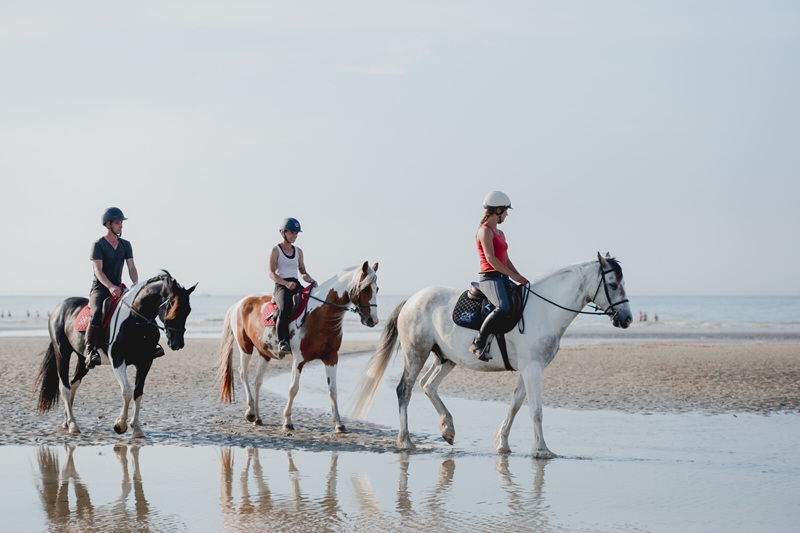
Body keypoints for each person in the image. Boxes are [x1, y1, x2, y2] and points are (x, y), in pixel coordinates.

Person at [470, 191, 530, 360]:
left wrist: (519, 276)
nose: (507, 214)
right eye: (505, 210)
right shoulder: (485, 231)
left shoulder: (500, 233)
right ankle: (478, 342)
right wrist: (513, 276)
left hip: (502, 277)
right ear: (497, 210)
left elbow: (506, 260)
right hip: (489, 277)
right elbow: (491, 258)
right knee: (503, 307)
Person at [85, 207, 139, 368]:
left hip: (119, 288)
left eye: (121, 222)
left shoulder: (126, 245)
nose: (121, 225)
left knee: (137, 311)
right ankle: (90, 351)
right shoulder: (98, 245)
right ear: (108, 224)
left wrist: (136, 285)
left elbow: (131, 268)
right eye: (117, 223)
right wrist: (109, 286)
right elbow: (98, 270)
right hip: (100, 289)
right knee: (95, 314)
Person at [269, 217, 316, 356]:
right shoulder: (275, 250)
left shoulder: (299, 251)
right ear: (283, 232)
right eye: (292, 233)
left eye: (296, 233)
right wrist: (285, 283)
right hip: (281, 285)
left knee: (312, 304)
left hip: (296, 283)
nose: (294, 236)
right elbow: (271, 273)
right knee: (285, 309)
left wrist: (312, 281)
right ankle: (282, 342)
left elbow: (303, 272)